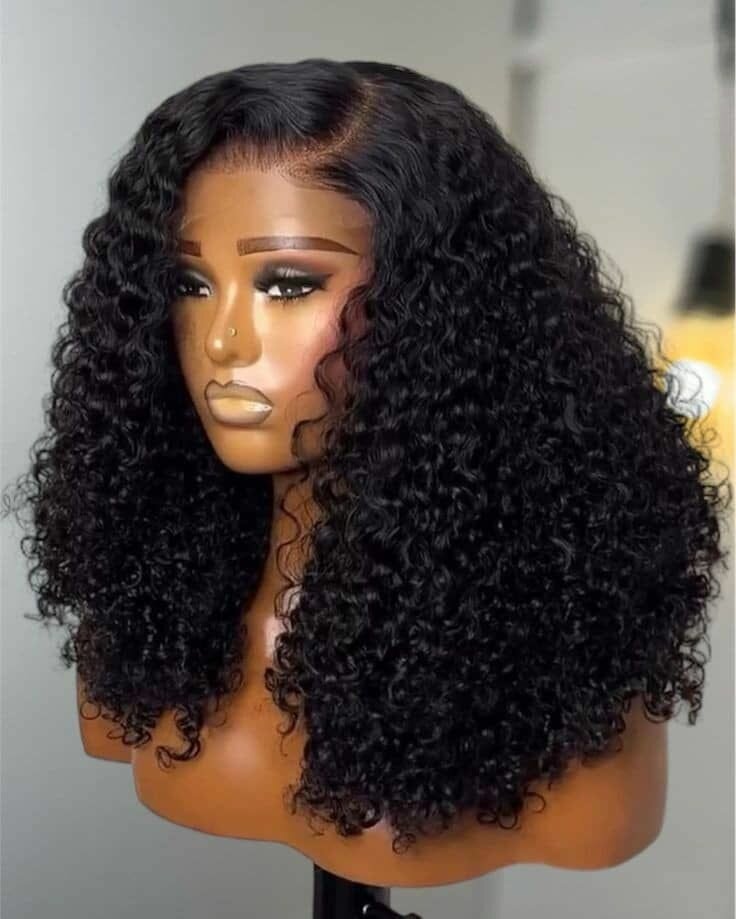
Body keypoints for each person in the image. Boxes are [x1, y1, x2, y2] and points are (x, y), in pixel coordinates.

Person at [2, 58, 731, 888]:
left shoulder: (567, 665)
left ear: (439, 303)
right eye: (190, 282)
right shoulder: (149, 618)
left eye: (287, 283)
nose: (222, 339)